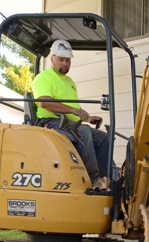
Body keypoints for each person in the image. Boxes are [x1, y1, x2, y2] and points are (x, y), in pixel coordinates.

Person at [31, 39, 110, 193]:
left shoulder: (69, 81)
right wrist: (75, 112)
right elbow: (45, 103)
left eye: (67, 60)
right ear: (52, 58)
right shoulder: (44, 78)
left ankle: (106, 179)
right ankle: (93, 181)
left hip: (68, 124)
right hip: (50, 123)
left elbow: (74, 107)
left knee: (103, 138)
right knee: (84, 132)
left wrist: (87, 117)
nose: (65, 64)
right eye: (61, 60)